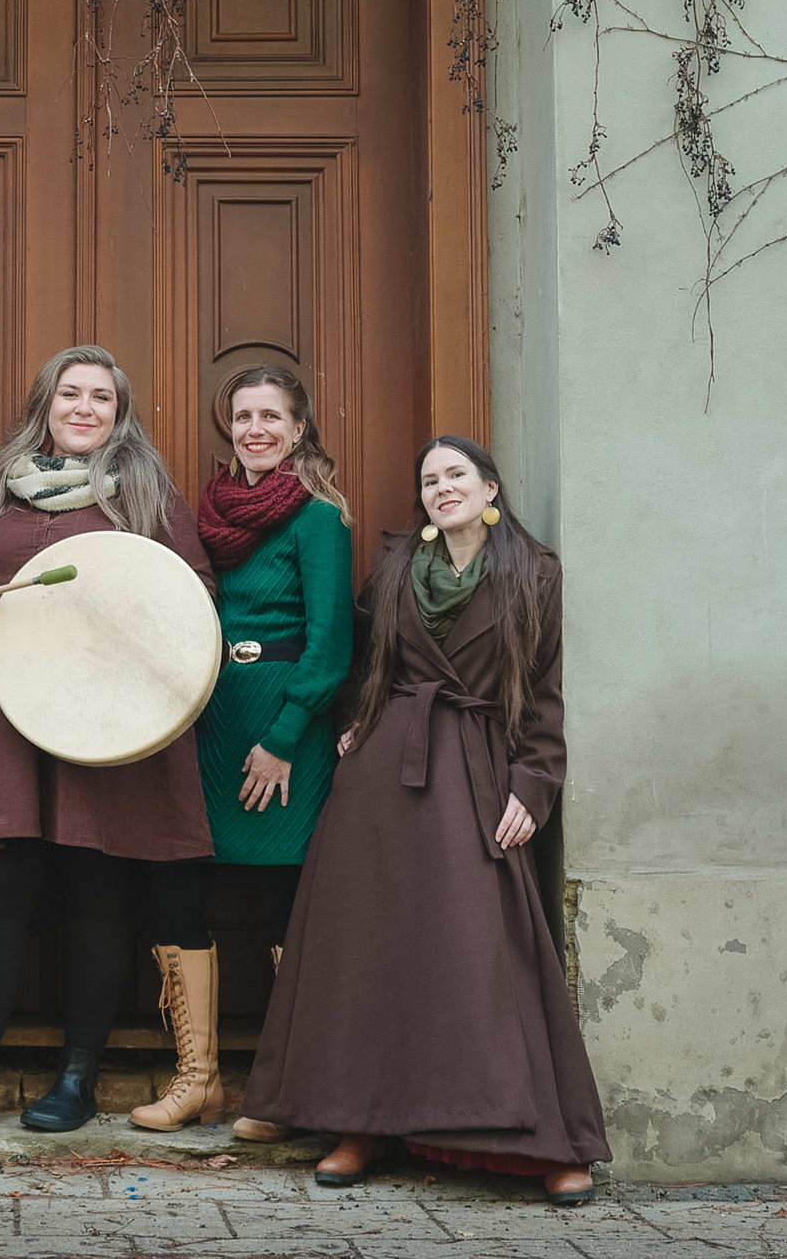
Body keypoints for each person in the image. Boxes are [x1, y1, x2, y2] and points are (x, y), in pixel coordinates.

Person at [239, 436, 609, 1204]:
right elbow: (357, 655)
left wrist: (534, 782)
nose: (442, 487)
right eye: (430, 479)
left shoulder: (532, 570)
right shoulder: (397, 564)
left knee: (484, 956)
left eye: (456, 475)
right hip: (383, 778)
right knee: (369, 951)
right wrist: (355, 719)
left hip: (478, 770)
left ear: (489, 488)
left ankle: (540, 1140)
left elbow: (543, 690)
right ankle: (359, 1126)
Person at [0, 345, 217, 1145]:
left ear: (120, 412)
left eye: (101, 398)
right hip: (7, 715)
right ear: (44, 403)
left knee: (93, 896)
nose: (84, 408)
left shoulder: (146, 494)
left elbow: (193, 601)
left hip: (103, 723)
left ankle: (78, 1079)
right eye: (70, 393)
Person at [129, 365, 353, 1135]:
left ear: (299, 429)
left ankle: (295, 1094)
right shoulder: (212, 510)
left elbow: (331, 644)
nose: (255, 429)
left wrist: (284, 740)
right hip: (210, 717)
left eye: (271, 416)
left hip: (285, 725)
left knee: (283, 902)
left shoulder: (320, 517)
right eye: (243, 416)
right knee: (176, 888)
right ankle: (198, 1082)